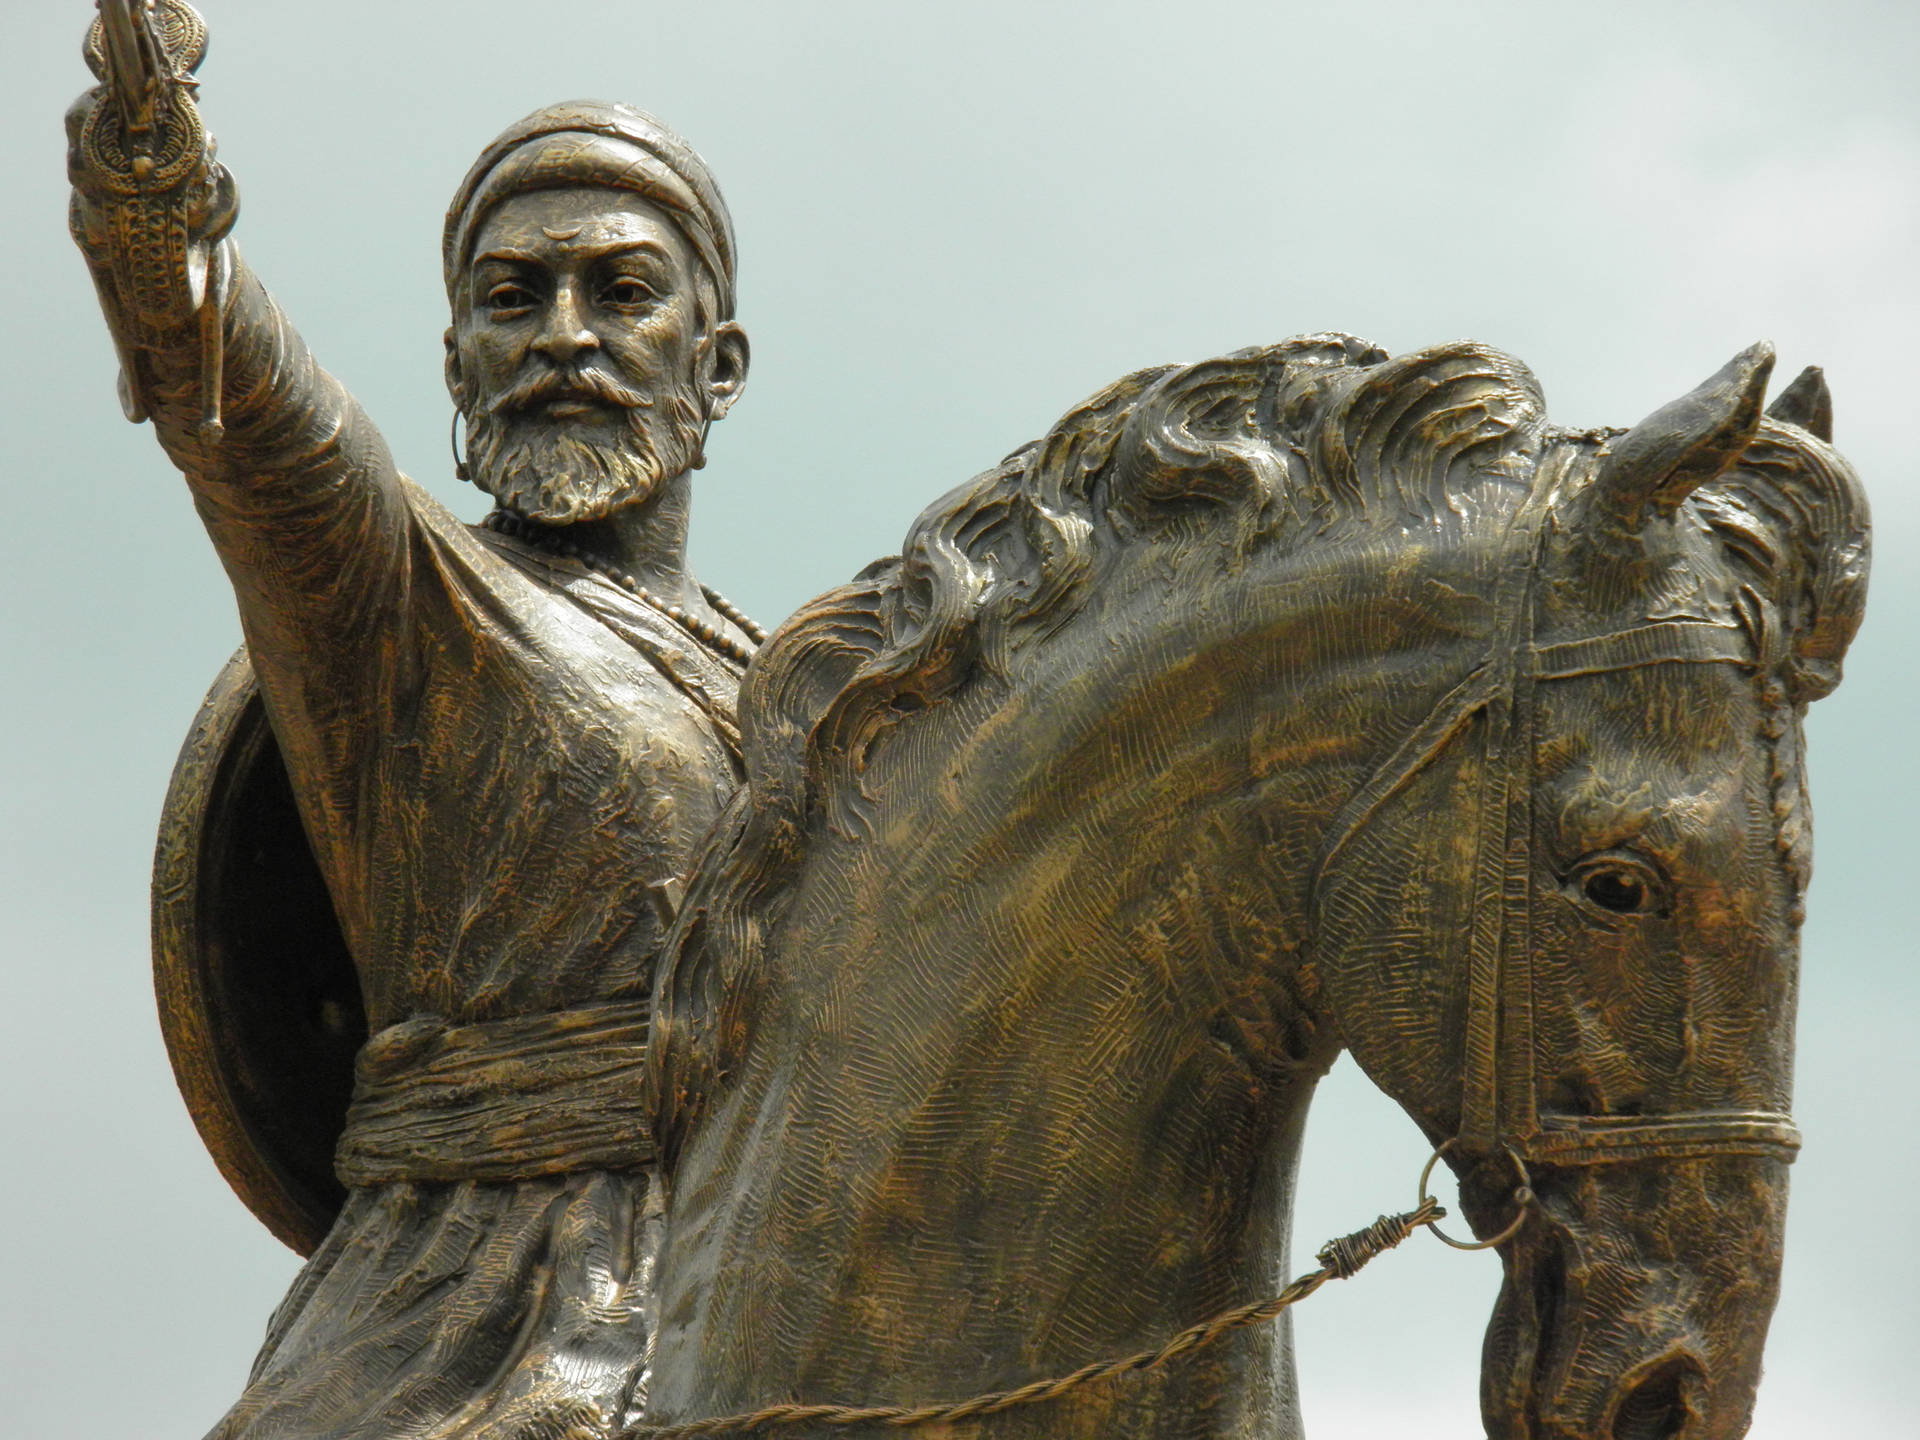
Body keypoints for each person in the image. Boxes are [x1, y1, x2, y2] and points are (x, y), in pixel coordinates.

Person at [70, 70, 757, 1440]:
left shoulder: (799, 682)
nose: (565, 336)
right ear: (457, 365)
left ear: (717, 363)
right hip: (465, 1321)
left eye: (621, 293)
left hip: (771, 1271)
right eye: (514, 300)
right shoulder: (388, 597)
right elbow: (238, 409)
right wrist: (153, 211)